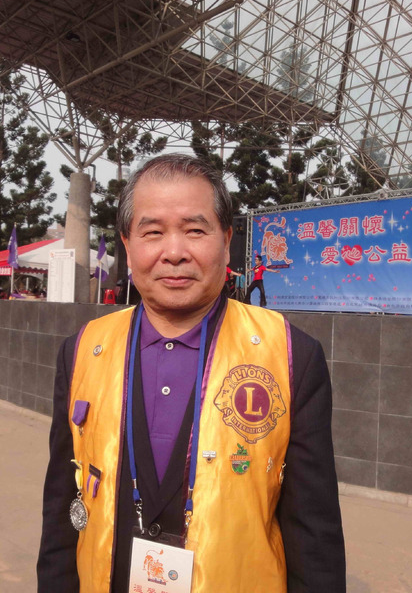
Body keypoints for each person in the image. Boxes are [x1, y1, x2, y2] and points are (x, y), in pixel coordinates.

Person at [37, 154, 345, 593]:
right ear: (127, 244)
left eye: (195, 230)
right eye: (153, 232)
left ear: (227, 239)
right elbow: (61, 511)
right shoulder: (83, 350)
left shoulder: (290, 354)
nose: (175, 252)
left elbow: (314, 537)